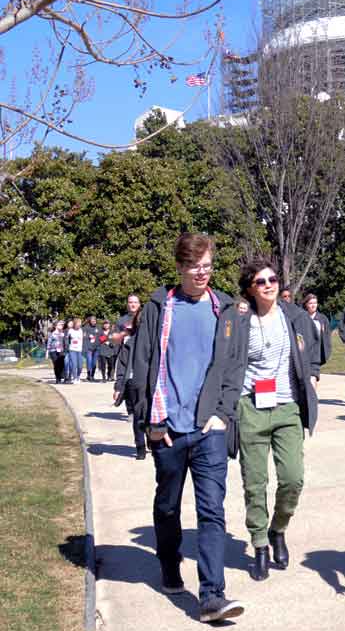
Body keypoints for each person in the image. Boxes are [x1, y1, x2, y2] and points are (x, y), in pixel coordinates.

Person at [128, 233, 245, 623]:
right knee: (168, 506)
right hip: (168, 429)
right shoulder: (160, 308)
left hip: (209, 427)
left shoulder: (223, 308)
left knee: (212, 511)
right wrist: (152, 422)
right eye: (195, 266)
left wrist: (223, 414)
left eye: (208, 266)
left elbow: (233, 368)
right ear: (180, 267)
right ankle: (168, 562)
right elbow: (141, 369)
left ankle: (212, 595)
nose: (203, 273)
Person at [213, 258, 320, 582]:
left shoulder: (294, 316)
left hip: (287, 407)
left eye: (272, 279)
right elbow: (225, 358)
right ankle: (259, 543)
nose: (269, 285)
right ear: (250, 288)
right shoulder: (238, 318)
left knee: (292, 478)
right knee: (255, 483)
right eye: (261, 281)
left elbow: (310, 351)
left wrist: (311, 376)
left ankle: (278, 528)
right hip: (251, 408)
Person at [113, 310, 146, 459]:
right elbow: (122, 365)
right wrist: (119, 386)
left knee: (149, 415)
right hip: (133, 382)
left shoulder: (156, 340)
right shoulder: (129, 342)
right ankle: (140, 447)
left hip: (151, 382)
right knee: (138, 415)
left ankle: (152, 440)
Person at [302, 293, 333, 367]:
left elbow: (327, 336)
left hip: (317, 353)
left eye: (315, 303)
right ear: (306, 304)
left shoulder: (323, 319)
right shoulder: (302, 318)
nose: (313, 305)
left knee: (314, 375)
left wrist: (327, 352)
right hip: (305, 352)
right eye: (310, 303)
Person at [66, 317, 84, 383]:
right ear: (75, 324)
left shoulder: (81, 330)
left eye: (80, 323)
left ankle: (78, 376)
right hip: (72, 349)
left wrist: (82, 348)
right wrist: (68, 346)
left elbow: (82, 340)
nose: (79, 325)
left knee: (80, 366)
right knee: (74, 364)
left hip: (79, 350)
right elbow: (67, 339)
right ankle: (75, 378)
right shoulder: (70, 330)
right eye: (78, 323)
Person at [83, 316, 101, 382]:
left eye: (94, 321)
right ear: (90, 321)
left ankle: (92, 375)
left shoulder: (99, 327)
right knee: (89, 362)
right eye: (92, 321)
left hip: (96, 348)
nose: (93, 322)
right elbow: (83, 336)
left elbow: (103, 336)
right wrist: (88, 336)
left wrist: (100, 341)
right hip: (89, 348)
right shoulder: (86, 328)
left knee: (94, 363)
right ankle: (89, 375)